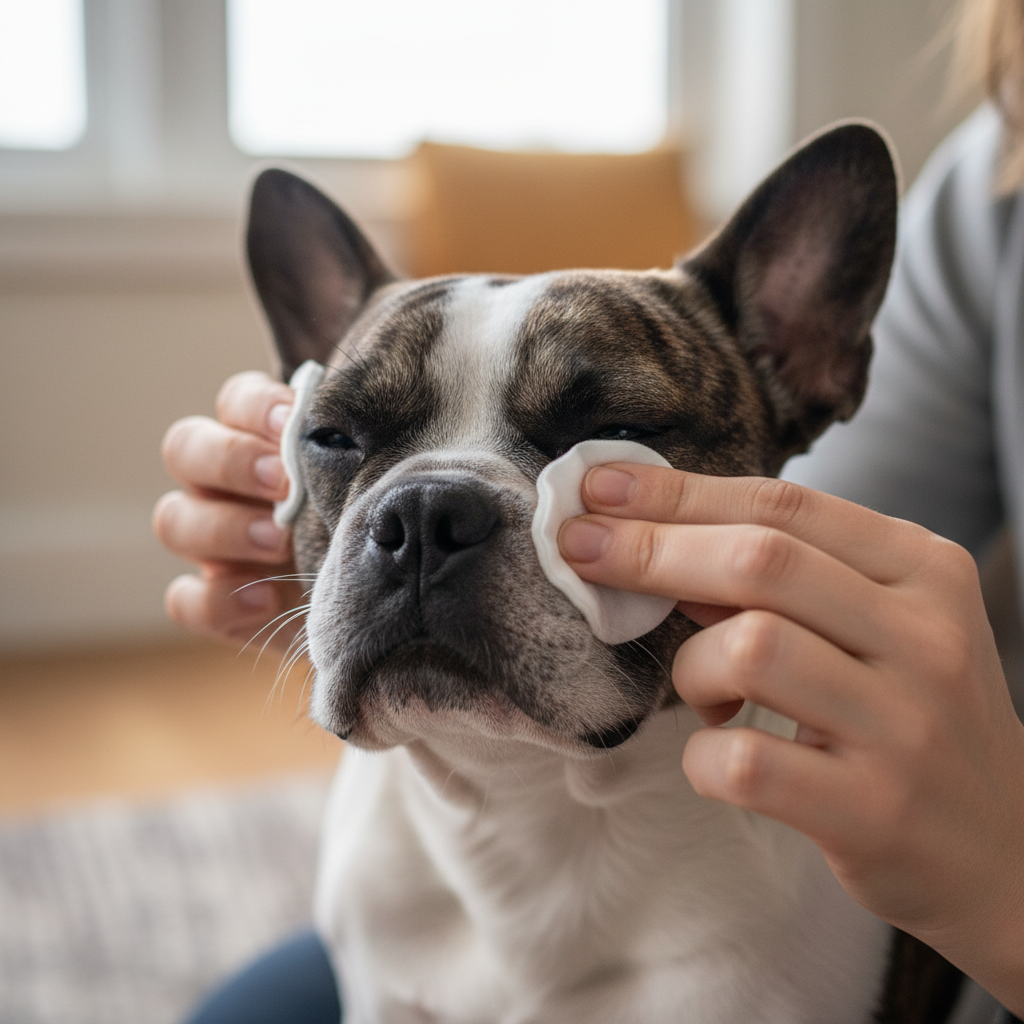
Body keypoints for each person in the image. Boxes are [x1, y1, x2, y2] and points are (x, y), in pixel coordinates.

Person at [153, 2, 1024, 1019]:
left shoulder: (821, 928)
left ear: (791, 359)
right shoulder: (991, 191)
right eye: (343, 439)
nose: (425, 530)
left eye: (606, 434)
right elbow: (836, 536)